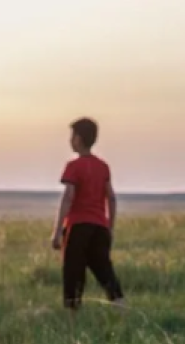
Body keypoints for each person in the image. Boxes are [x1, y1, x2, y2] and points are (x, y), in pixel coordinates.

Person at [51, 118, 124, 310]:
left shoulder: (73, 167)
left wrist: (57, 231)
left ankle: (72, 319)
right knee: (105, 271)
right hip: (99, 227)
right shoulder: (103, 166)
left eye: (72, 136)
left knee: (73, 273)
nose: (70, 140)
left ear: (79, 139)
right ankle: (122, 308)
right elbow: (112, 198)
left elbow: (68, 198)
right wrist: (110, 228)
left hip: (77, 226)